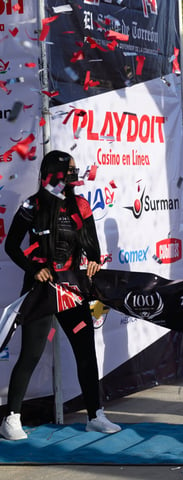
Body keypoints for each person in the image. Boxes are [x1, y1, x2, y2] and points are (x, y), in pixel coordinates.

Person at [0, 150, 121, 441]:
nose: (75, 175)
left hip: (72, 290)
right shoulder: (33, 204)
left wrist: (94, 261)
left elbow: (93, 248)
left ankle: (95, 416)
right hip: (42, 290)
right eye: (70, 169)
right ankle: (11, 419)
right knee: (30, 354)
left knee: (85, 353)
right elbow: (12, 246)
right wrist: (34, 268)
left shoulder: (80, 205)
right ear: (54, 171)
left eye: (77, 169)